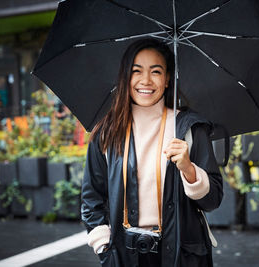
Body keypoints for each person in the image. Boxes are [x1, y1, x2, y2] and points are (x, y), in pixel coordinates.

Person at [81, 38, 223, 267]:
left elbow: (213, 200)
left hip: (182, 254)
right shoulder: (107, 133)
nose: (145, 80)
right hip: (125, 256)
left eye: (156, 71)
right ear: (125, 77)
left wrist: (189, 169)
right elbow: (92, 199)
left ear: (167, 79)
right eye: (136, 71)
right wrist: (103, 247)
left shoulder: (189, 129)